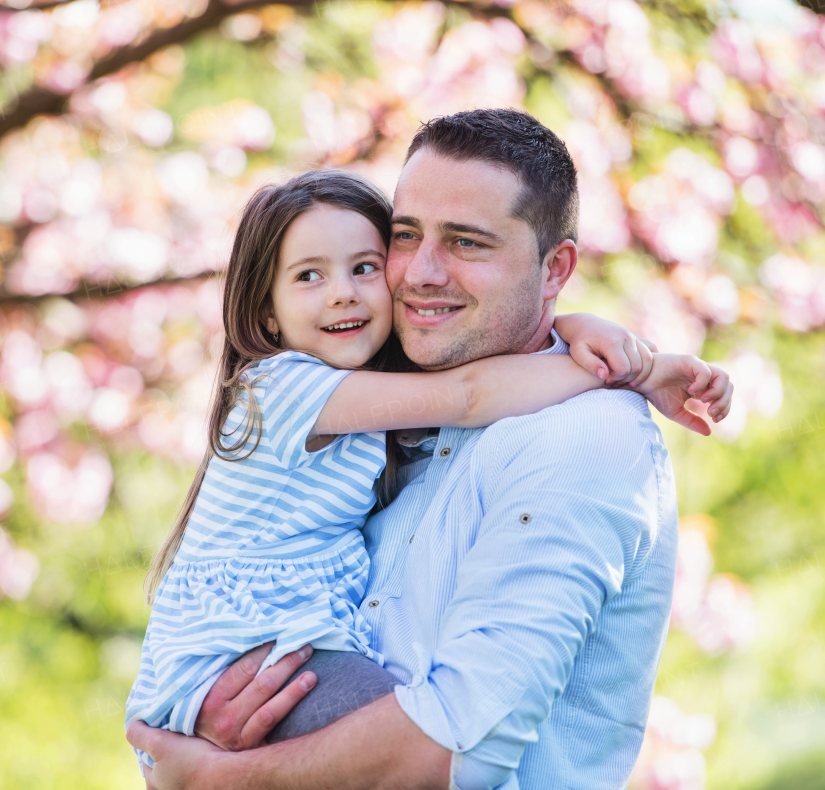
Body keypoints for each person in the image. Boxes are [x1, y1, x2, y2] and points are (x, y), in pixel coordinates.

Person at [127, 114, 731, 788]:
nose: (419, 272)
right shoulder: (388, 404)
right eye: (405, 235)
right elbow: (476, 386)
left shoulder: (579, 442)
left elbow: (454, 747)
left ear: (554, 267)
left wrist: (219, 778)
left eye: (466, 243)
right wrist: (208, 735)